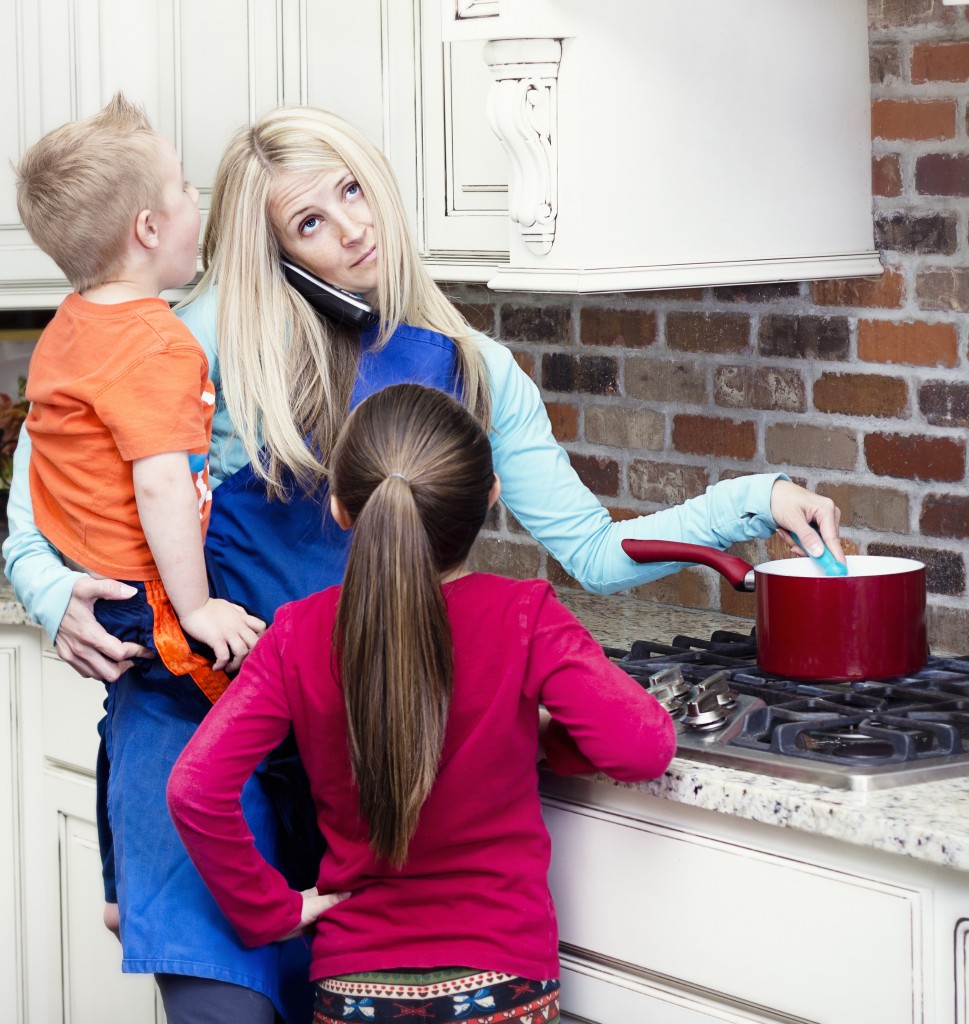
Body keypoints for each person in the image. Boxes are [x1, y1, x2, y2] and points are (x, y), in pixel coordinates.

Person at [3, 104, 844, 1021]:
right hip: (199, 732)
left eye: (355, 190)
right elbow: (33, 516)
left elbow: (592, 551)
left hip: (368, 748)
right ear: (268, 246)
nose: (356, 229)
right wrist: (51, 594)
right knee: (224, 1008)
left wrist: (751, 503)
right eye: (311, 221)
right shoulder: (175, 341)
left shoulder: (470, 366)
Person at [167, 382, 678, 1024]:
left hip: (355, 989)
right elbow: (642, 747)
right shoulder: (525, 616)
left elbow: (194, 787)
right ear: (491, 498)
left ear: (341, 509)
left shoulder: (298, 634)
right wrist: (547, 735)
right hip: (503, 983)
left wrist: (270, 909)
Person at [12, 91, 266, 976]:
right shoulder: (158, 345)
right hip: (149, 594)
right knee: (232, 726)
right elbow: (161, 481)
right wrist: (197, 610)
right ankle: (168, 898)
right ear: (152, 227)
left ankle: (121, 888)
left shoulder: (74, 325)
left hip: (97, 576)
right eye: (190, 188)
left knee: (125, 725)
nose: (202, 203)